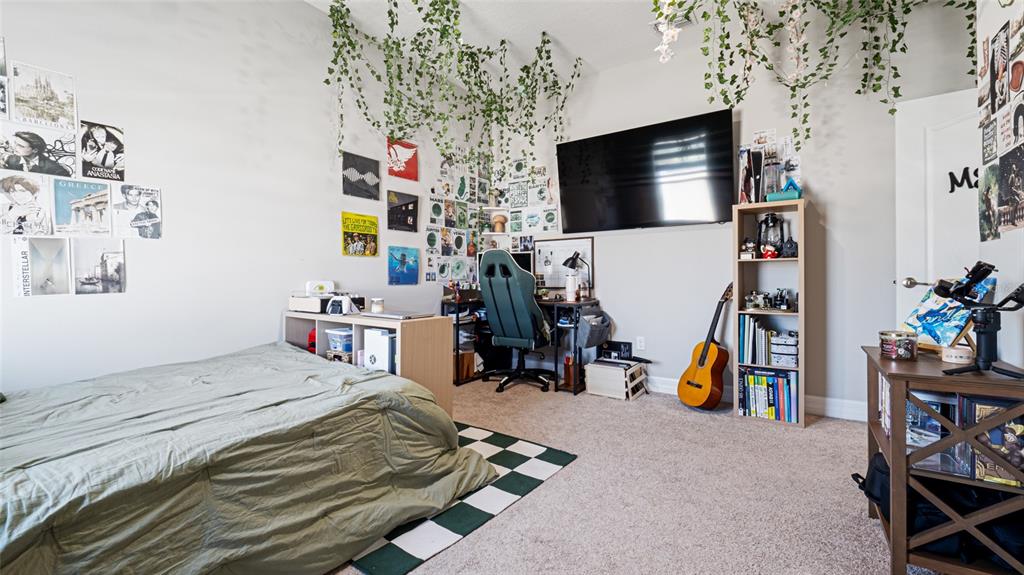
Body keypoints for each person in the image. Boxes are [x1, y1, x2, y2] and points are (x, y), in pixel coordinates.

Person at [2, 131, 71, 176]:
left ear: (35, 150)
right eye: (15, 143)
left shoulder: (54, 169)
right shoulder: (10, 160)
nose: (14, 147)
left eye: (20, 146)